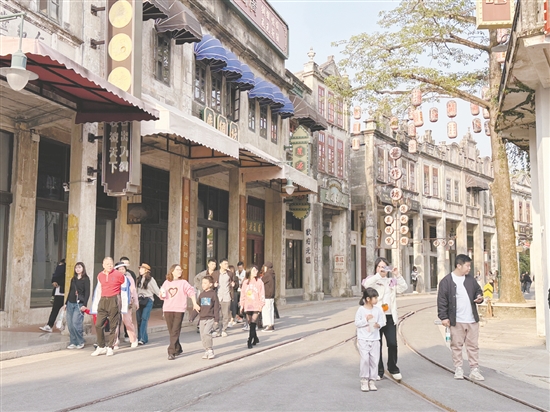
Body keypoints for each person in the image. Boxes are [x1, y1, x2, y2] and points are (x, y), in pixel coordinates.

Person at [437, 254, 485, 381]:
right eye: (467, 266)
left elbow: (478, 290)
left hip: (472, 319)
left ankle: (474, 369)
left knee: (473, 345)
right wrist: (443, 317)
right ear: (459, 266)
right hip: (456, 320)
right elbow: (442, 301)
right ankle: (458, 368)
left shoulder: (470, 280)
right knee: (456, 345)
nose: (469, 268)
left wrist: (479, 297)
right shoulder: (446, 281)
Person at [362, 257, 408, 381]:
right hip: (374, 318)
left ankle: (393, 368)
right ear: (376, 268)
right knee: (376, 345)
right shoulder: (372, 280)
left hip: (389, 316)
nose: (381, 269)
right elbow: (366, 285)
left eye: (384, 267)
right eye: (379, 266)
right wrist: (378, 275)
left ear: (388, 268)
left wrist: (397, 275)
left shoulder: (391, 281)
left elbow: (403, 288)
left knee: (392, 343)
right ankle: (378, 370)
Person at [159, 264, 200, 360]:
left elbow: (191, 292)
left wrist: (194, 303)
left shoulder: (183, 283)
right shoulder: (166, 282)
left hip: (179, 309)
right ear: (172, 271)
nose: (180, 271)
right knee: (171, 330)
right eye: (177, 269)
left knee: (175, 330)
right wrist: (161, 294)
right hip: (168, 309)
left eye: (180, 270)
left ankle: (171, 351)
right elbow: (162, 296)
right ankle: (178, 348)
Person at [90, 257, 125, 356]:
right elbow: (99, 289)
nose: (110, 266)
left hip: (114, 299)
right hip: (103, 300)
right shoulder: (100, 275)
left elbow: (125, 287)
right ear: (103, 265)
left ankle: (110, 346)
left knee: (113, 325)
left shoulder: (118, 275)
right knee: (98, 324)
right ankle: (101, 346)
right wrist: (96, 302)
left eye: (111, 264)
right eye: (107, 264)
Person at [355, 287, 386, 392]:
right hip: (363, 338)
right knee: (365, 359)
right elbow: (357, 323)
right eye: (375, 298)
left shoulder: (377, 310)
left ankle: (372, 380)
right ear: (368, 299)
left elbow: (382, 321)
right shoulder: (361, 310)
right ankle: (364, 380)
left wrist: (378, 325)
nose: (376, 300)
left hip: (375, 338)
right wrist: (366, 320)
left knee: (374, 360)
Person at [190, 275, 220, 360]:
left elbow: (216, 308)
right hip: (202, 318)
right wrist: (192, 317)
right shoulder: (201, 295)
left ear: (210, 284)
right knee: (202, 335)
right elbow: (197, 307)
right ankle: (206, 350)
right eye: (202, 283)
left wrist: (216, 319)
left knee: (207, 333)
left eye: (205, 283)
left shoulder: (213, 294)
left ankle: (210, 350)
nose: (203, 284)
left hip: (210, 318)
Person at [64, 262, 90, 349]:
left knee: (76, 322)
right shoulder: (73, 279)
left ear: (83, 268)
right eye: (76, 268)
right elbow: (70, 291)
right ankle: (73, 342)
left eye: (79, 267)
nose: (77, 269)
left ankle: (80, 341)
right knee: (70, 324)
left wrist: (85, 305)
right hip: (70, 303)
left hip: (79, 304)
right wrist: (66, 303)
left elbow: (87, 292)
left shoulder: (86, 279)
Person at [114, 262, 139, 349]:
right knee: (115, 322)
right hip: (116, 301)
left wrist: (136, 301)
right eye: (119, 269)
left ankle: (133, 339)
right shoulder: (114, 278)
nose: (121, 271)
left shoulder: (129, 278)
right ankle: (115, 342)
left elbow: (133, 290)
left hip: (127, 302)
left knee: (127, 321)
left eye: (123, 269)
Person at [239, 265, 265, 349]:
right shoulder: (245, 282)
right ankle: (255, 338)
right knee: (250, 323)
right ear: (249, 271)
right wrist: (241, 305)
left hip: (256, 305)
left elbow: (262, 294)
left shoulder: (259, 282)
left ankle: (249, 340)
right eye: (254, 270)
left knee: (253, 323)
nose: (256, 272)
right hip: (248, 305)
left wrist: (261, 305)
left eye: (256, 270)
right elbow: (242, 294)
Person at [136, 263, 160, 345]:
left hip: (148, 299)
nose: (140, 270)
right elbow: (135, 291)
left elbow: (156, 290)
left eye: (142, 269)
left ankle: (142, 339)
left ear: (146, 270)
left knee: (144, 318)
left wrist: (162, 297)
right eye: (140, 269)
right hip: (139, 300)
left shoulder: (151, 280)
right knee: (138, 319)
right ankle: (140, 337)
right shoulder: (138, 279)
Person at [39, 259, 66, 333]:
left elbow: (56, 277)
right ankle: (50, 325)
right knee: (56, 309)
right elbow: (55, 277)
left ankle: (51, 325)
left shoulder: (63, 268)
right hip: (60, 292)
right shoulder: (62, 268)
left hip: (63, 292)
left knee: (56, 310)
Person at [194, 259, 218, 333]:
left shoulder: (216, 274)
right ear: (208, 264)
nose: (213, 266)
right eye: (212, 264)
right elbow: (195, 279)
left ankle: (211, 326)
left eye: (214, 264)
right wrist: (200, 287)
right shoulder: (203, 273)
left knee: (211, 309)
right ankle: (200, 324)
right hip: (203, 293)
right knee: (203, 308)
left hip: (212, 294)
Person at [212, 258, 235, 337]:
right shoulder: (215, 273)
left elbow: (235, 282)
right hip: (217, 296)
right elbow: (211, 283)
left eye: (227, 264)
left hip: (227, 296)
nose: (226, 265)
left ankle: (224, 330)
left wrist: (234, 285)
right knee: (217, 314)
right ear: (220, 265)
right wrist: (214, 285)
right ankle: (216, 330)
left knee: (225, 315)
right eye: (225, 264)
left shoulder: (230, 274)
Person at [261, 262, 276, 332]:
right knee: (270, 310)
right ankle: (271, 324)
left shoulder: (267, 274)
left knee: (266, 311)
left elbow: (261, 281)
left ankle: (268, 325)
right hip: (271, 295)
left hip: (267, 295)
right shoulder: (272, 274)